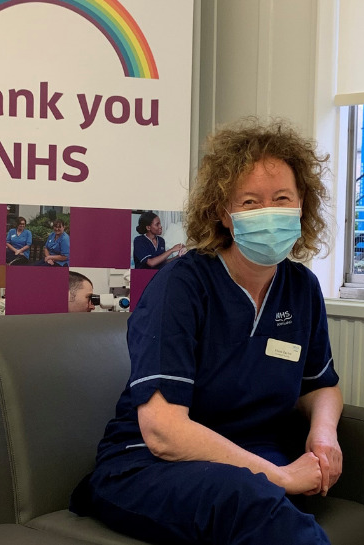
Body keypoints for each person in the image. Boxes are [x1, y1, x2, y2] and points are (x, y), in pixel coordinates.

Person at [70, 118, 341, 545]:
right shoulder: (182, 285)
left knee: (263, 498)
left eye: (282, 198)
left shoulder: (301, 288)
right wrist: (281, 477)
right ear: (223, 213)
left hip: (248, 456)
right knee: (250, 500)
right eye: (250, 202)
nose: (268, 213)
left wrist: (324, 436)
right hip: (149, 465)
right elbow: (163, 431)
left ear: (301, 204)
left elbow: (321, 384)